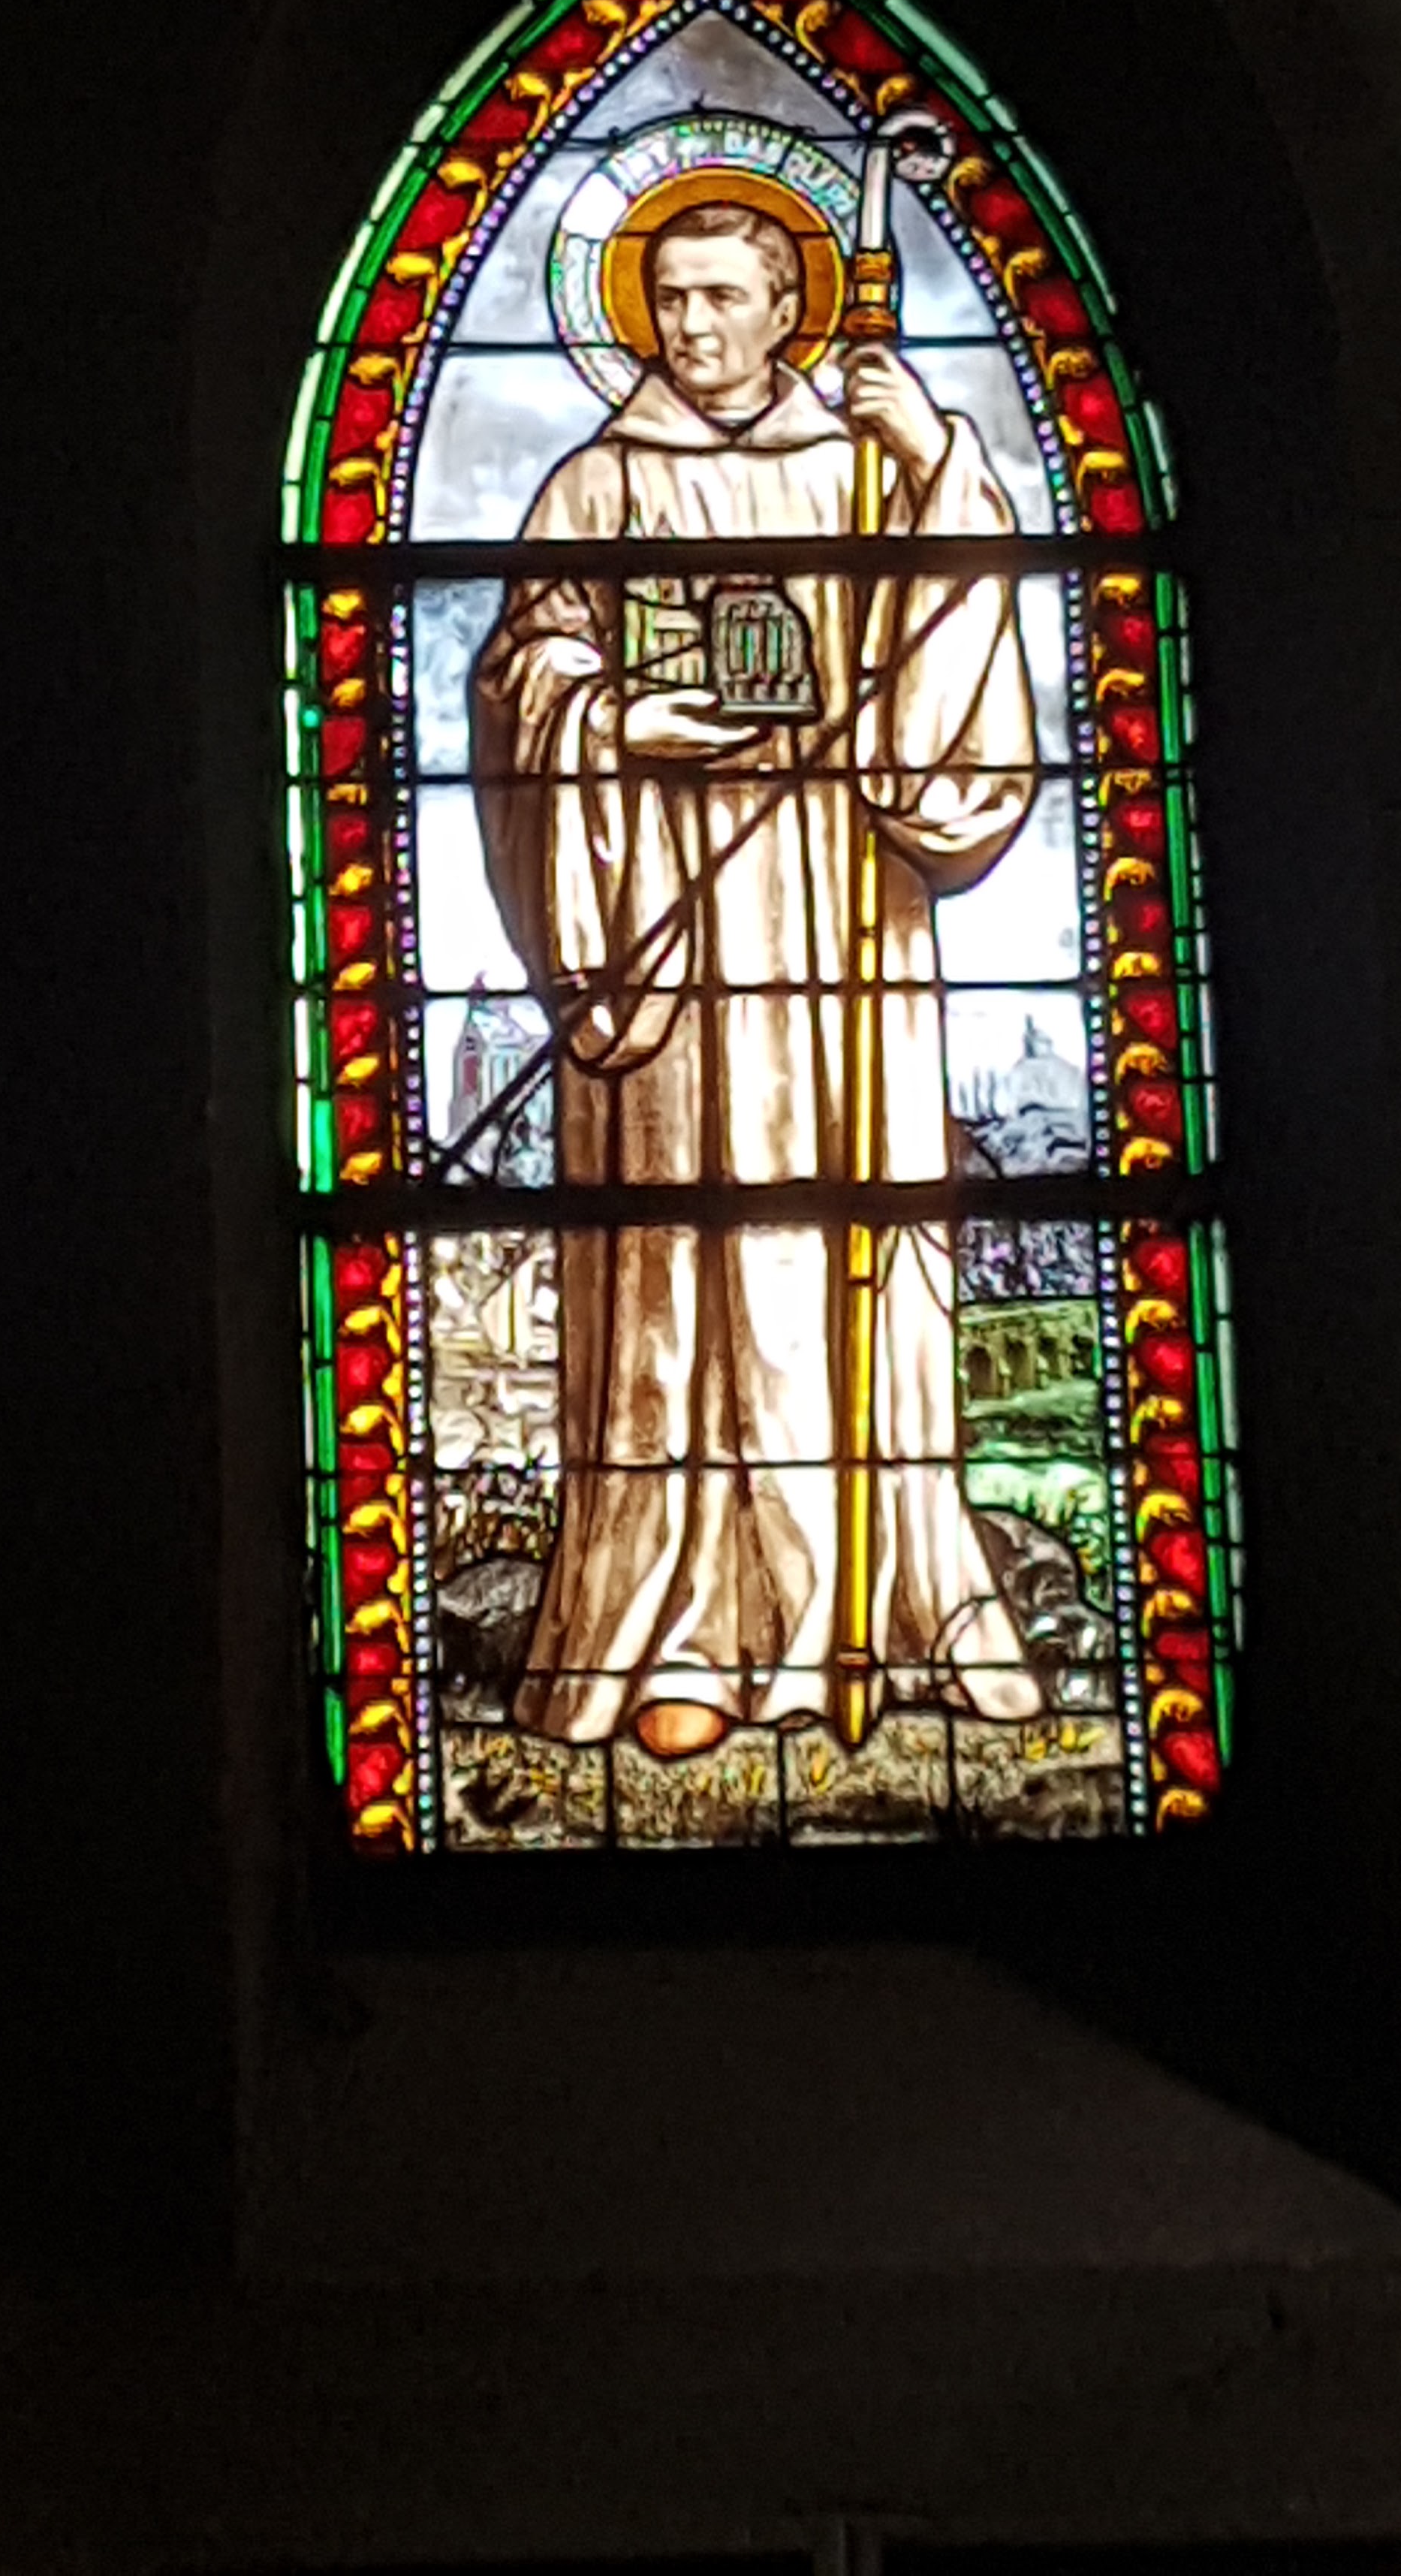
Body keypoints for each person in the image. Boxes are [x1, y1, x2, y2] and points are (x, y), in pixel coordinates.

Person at [472, 197, 1043, 1757]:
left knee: (849, 1238)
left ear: (789, 307)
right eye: (668, 297)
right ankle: (684, 1624)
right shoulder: (596, 483)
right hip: (664, 909)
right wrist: (616, 724)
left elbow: (946, 685)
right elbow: (525, 674)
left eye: (722, 296)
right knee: (683, 1259)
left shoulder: (864, 464)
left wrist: (937, 462)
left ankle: (900, 1604)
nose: (691, 326)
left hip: (844, 914)